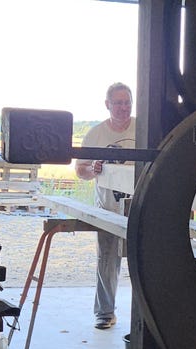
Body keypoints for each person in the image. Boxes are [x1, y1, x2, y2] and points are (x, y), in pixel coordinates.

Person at [75, 82, 135, 329]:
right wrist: (93, 169)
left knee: (144, 260)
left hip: (139, 207)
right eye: (118, 103)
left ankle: (147, 313)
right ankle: (105, 312)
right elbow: (80, 170)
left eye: (127, 102)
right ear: (107, 104)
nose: (123, 107)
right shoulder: (96, 134)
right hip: (108, 208)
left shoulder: (143, 129)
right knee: (108, 259)